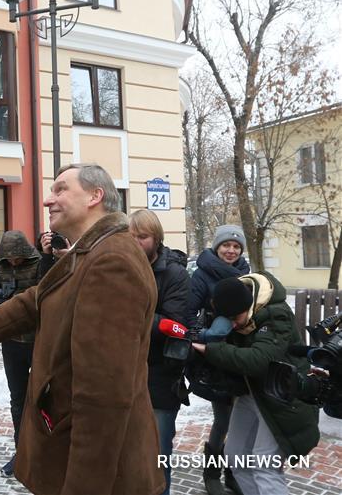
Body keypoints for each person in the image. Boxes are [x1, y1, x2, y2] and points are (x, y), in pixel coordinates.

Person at [0, 163, 165, 495]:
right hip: (67, 445)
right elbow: (34, 301)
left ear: (95, 196)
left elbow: (104, 399)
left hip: (103, 474)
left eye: (61, 189)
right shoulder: (89, 252)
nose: (48, 200)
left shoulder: (112, 263)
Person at [192, 274, 320, 495]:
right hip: (253, 393)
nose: (233, 323)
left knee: (265, 465)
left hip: (282, 396)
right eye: (227, 319)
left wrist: (212, 350)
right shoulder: (239, 318)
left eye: (235, 316)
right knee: (235, 457)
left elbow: (259, 361)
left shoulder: (275, 314)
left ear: (249, 305)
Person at [129, 210, 190, 495]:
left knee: (158, 451)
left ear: (156, 239)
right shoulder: (124, 267)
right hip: (125, 372)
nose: (135, 242)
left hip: (161, 375)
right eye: (130, 237)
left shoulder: (174, 273)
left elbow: (175, 323)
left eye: (141, 237)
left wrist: (128, 315)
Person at [187, 225, 251, 495]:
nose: (231, 250)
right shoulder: (202, 275)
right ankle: (212, 472)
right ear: (216, 247)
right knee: (223, 419)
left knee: (243, 422)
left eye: (236, 246)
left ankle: (234, 473)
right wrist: (202, 336)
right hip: (215, 355)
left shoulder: (248, 274)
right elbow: (188, 313)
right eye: (226, 245)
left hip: (243, 354)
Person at [0, 230, 41, 477]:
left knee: (42, 397)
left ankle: (44, 451)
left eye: (17, 258)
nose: (14, 262)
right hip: (12, 343)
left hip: (38, 340)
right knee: (17, 399)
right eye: (10, 258)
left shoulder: (41, 263)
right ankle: (21, 452)